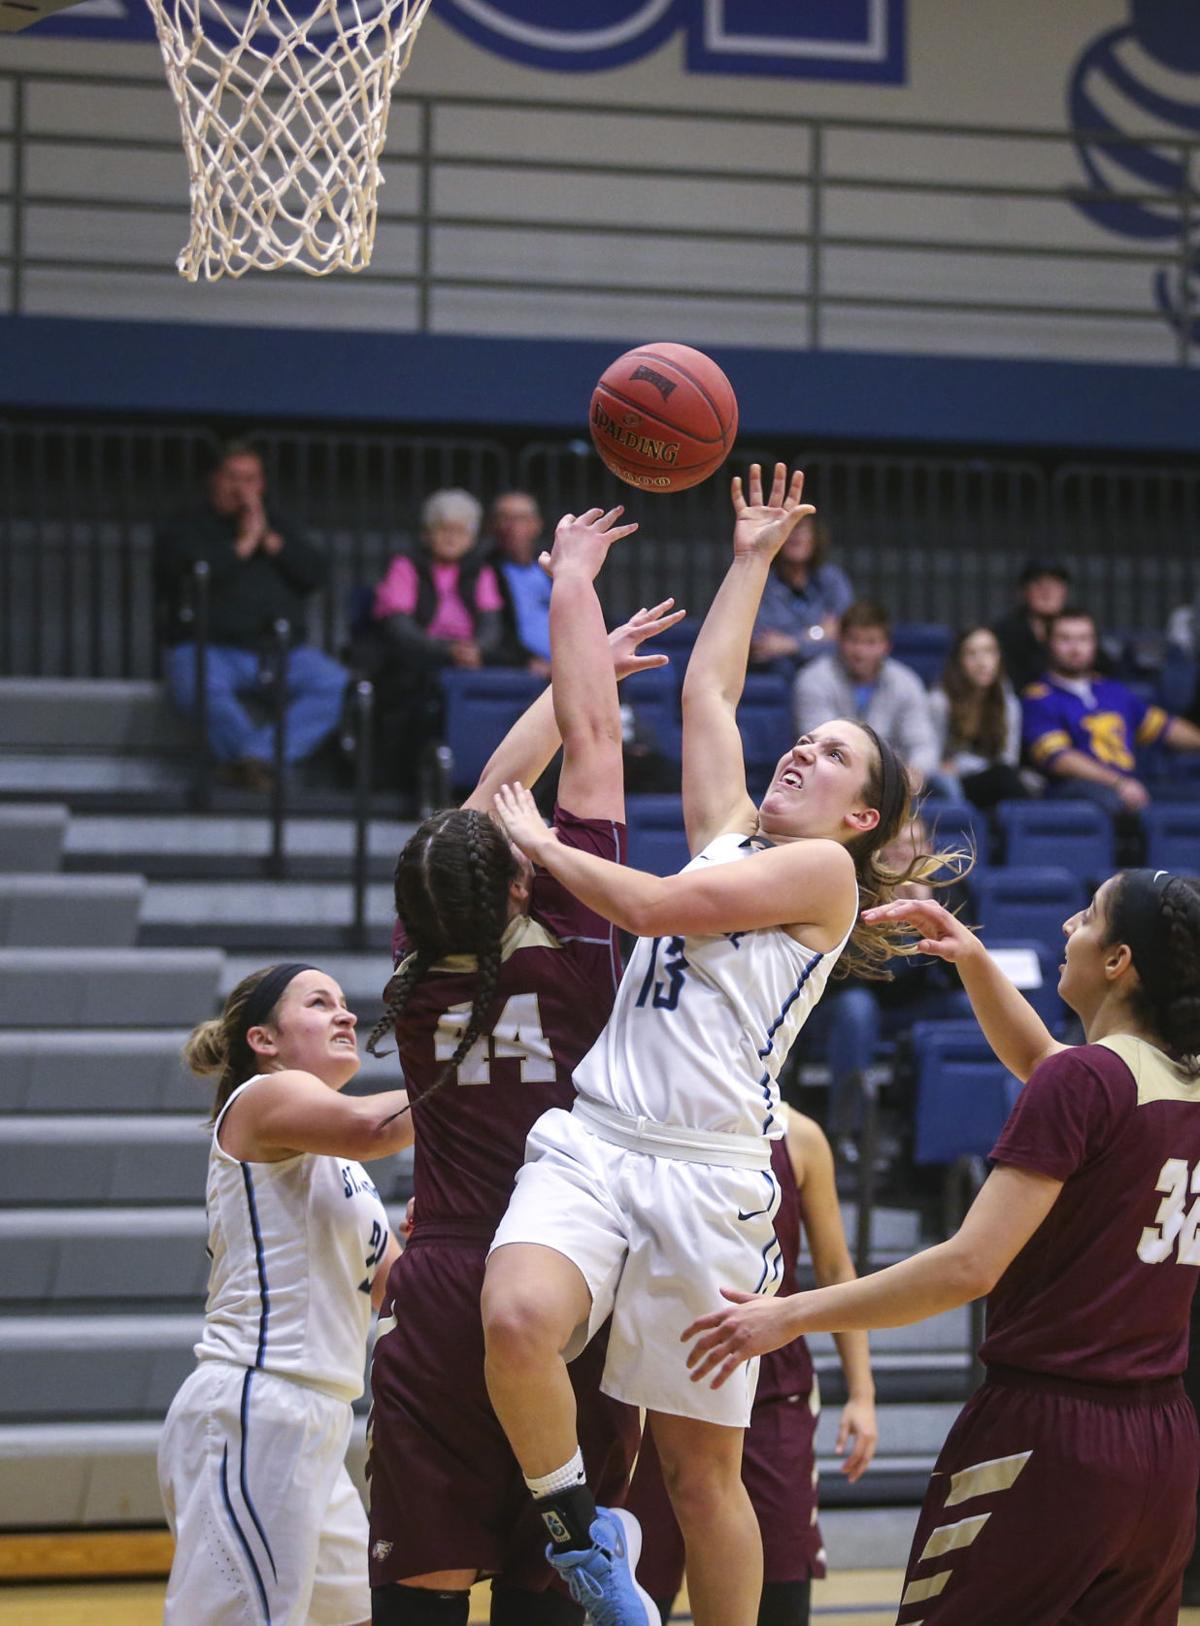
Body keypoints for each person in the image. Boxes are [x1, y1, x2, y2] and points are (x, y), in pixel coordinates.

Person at [482, 464, 938, 1626]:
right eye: (809, 741)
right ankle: (580, 1531)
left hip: (709, 1176)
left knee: (701, 1473)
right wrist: (749, 559)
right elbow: (709, 699)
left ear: (861, 817)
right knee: (518, 1318)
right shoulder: (731, 835)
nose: (805, 752)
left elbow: (649, 911)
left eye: (835, 756)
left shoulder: (823, 876)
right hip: (599, 1139)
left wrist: (542, 836)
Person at [684, 870, 1200, 1625]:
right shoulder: (1173, 1083)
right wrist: (970, 958)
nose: (1065, 928)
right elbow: (1051, 1068)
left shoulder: (1088, 1082)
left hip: (1048, 1435)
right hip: (1163, 1443)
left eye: (1086, 918)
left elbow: (969, 1265)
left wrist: (790, 1314)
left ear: (1118, 960)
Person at [365, 504, 685, 1626]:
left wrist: (577, 658)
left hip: (443, 1275)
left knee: (419, 1588)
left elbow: (483, 807)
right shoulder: (584, 928)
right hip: (562, 1269)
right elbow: (585, 756)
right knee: (551, 1586)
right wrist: (573, 592)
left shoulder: (416, 957)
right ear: (515, 883)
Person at [157, 962, 411, 1626]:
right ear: (263, 1041)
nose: (347, 1014)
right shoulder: (261, 1097)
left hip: (319, 1420)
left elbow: (400, 1290)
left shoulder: (342, 1168)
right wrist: (481, 1072)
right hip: (255, 1408)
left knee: (358, 1615)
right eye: (320, 1002)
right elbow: (375, 1126)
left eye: (344, 1002)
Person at [625, 1106, 877, 1626]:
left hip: (771, 1390)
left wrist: (863, 1394)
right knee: (638, 1591)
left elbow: (834, 1268)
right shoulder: (649, 1118)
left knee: (780, 1589)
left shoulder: (801, 1137)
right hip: (663, 1384)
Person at [156, 441, 349, 793]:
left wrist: (273, 544)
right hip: (210, 648)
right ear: (214, 480)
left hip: (278, 651)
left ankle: (253, 760)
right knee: (195, 683)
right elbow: (179, 577)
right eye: (233, 477)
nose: (242, 488)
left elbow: (316, 572)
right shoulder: (188, 526)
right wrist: (243, 545)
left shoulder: (278, 525)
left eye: (251, 479)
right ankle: (255, 766)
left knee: (335, 684)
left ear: (262, 484)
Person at [366, 488, 509, 793]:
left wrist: (476, 649)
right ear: (428, 533)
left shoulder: (481, 570)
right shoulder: (407, 566)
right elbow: (399, 627)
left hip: (467, 660)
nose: (451, 537)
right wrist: (446, 651)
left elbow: (491, 624)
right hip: (419, 659)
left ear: (472, 536)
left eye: (460, 530)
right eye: (443, 529)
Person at [1022, 607, 1200, 822]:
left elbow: (1165, 727)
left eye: (1084, 639)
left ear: (1095, 643)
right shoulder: (1039, 697)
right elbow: (1059, 759)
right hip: (1073, 792)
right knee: (1118, 802)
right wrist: (1118, 782)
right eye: (1065, 639)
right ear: (1048, 643)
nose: (1076, 648)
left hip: (1128, 787)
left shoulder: (1113, 691)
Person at [793, 601, 942, 797]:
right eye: (854, 641)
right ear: (839, 640)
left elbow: (923, 744)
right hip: (829, 782)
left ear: (887, 646)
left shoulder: (906, 682)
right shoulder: (813, 679)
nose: (860, 652)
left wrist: (914, 773)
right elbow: (821, 746)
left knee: (945, 790)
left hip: (893, 784)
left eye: (871, 642)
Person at [929, 626, 1032, 810]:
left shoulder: (1008, 702)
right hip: (949, 784)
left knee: (1010, 780)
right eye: (972, 654)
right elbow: (931, 761)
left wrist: (963, 765)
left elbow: (1008, 759)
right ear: (959, 661)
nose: (982, 662)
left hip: (990, 780)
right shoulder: (940, 701)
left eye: (989, 652)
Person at [749, 512, 853, 675]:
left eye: (802, 529)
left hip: (825, 672)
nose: (795, 535)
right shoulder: (759, 580)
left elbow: (846, 635)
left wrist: (791, 644)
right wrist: (819, 633)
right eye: (789, 529)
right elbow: (759, 642)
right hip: (772, 671)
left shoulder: (831, 579)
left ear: (816, 538)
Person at [488, 490, 553, 676]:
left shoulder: (553, 567)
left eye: (522, 519)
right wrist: (525, 661)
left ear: (537, 525)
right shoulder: (484, 571)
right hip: (519, 671)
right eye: (505, 518)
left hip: (570, 665)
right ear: (492, 526)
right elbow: (492, 631)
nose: (513, 527)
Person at [990, 559, 1072, 694]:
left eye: (1055, 584)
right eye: (1038, 584)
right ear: (1023, 592)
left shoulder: (1080, 629)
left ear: (1065, 591)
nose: (1047, 592)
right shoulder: (1004, 633)